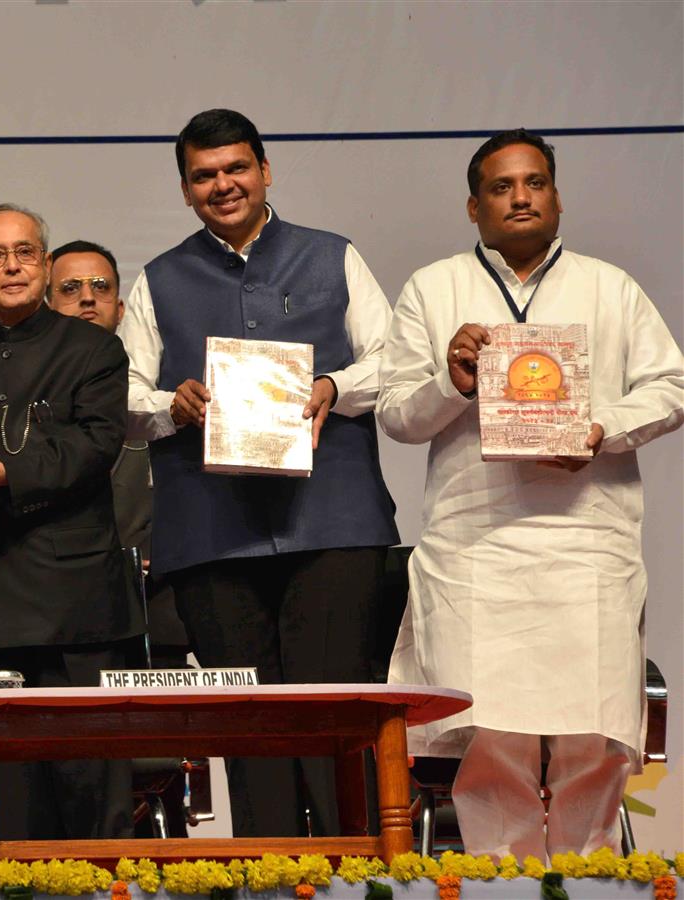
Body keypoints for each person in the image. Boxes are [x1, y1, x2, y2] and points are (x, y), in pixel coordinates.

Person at [378, 128, 684, 861]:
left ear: (556, 196)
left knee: (593, 736)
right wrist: (450, 379)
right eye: (501, 186)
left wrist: (602, 429)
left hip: (587, 543)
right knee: (496, 741)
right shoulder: (434, 286)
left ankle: (592, 879)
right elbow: (396, 415)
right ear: (473, 207)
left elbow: (671, 387)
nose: (520, 196)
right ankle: (498, 883)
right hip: (476, 547)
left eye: (535, 182)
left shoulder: (610, 287)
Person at [117, 108, 398, 838]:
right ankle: (268, 875)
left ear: (265, 170)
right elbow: (122, 399)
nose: (223, 185)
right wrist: (169, 405)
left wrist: (334, 388)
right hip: (213, 532)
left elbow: (395, 361)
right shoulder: (158, 279)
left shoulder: (333, 254)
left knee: (337, 712)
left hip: (332, 520)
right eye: (204, 175)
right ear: (184, 190)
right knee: (249, 725)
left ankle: (357, 873)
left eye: (236, 168)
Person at [0, 204, 143, 841]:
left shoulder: (96, 348)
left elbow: (98, 445)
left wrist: (9, 475)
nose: (11, 266)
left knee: (92, 797)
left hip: (78, 607)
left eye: (24, 253)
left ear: (45, 266)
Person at [47, 239, 191, 840]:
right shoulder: (38, 396)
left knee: (157, 758)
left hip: (154, 601)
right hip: (61, 605)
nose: (87, 300)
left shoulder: (156, 401)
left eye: (101, 288)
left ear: (123, 306)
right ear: (46, 300)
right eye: (71, 289)